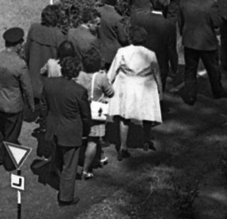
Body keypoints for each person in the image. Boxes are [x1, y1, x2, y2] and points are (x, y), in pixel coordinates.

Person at [39, 51, 90, 205]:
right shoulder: (79, 91)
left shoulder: (49, 84)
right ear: (76, 72)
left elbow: (43, 105)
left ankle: (54, 170)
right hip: (71, 130)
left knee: (58, 152)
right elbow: (85, 115)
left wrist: (45, 122)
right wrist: (86, 130)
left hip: (53, 126)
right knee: (70, 164)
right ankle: (65, 197)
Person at [0, 27, 35, 166]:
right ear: (18, 45)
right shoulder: (20, 64)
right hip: (13, 105)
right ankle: (9, 161)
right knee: (12, 133)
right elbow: (27, 87)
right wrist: (31, 104)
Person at [106, 32, 162, 157]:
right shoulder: (150, 54)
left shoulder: (122, 51)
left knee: (125, 116)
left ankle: (123, 146)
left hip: (127, 85)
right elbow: (156, 72)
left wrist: (108, 83)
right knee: (147, 114)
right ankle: (146, 140)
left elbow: (113, 69)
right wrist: (160, 89)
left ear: (131, 38)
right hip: (145, 85)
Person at [178, 0, 226, 102]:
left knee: (190, 70)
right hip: (207, 42)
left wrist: (184, 33)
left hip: (189, 40)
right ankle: (218, 91)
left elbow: (180, 21)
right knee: (213, 69)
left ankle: (190, 95)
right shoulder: (210, 3)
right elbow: (217, 23)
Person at [78, 47, 114, 177]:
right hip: (96, 113)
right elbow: (111, 93)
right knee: (92, 140)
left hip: (81, 111)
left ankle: (101, 157)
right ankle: (86, 170)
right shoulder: (101, 77)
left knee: (86, 136)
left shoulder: (79, 75)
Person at [132, 0, 179, 90]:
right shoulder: (169, 25)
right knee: (158, 91)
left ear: (150, 5)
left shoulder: (140, 20)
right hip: (161, 64)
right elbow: (171, 48)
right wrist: (174, 66)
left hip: (142, 61)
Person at [24, 5, 67, 92]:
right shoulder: (59, 36)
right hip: (49, 86)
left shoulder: (34, 28)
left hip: (31, 83)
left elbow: (26, 52)